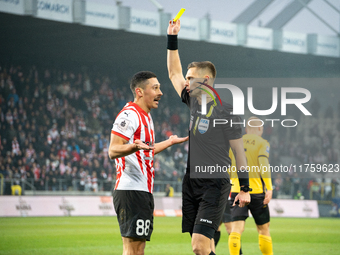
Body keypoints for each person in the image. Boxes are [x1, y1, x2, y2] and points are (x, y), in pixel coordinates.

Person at [167, 20, 251, 255]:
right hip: (191, 182)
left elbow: (238, 151)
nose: (186, 80)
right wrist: (172, 38)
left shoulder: (226, 110)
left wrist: (244, 188)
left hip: (215, 182)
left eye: (191, 77)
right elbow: (173, 73)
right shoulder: (193, 101)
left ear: (205, 81)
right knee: (204, 246)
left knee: (199, 246)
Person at [108, 71, 188, 255]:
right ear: (140, 92)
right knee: (133, 249)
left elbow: (146, 149)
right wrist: (133, 147)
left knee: (138, 249)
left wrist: (169, 142)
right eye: (155, 88)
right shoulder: (130, 115)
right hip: (131, 190)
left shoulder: (147, 116)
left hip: (141, 190)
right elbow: (113, 150)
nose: (160, 92)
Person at [228, 117, 274, 255]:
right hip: (257, 191)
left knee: (236, 229)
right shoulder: (262, 143)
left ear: (246, 129)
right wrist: (270, 187)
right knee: (263, 229)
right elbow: (263, 165)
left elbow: (230, 168)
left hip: (237, 190)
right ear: (260, 129)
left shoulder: (235, 142)